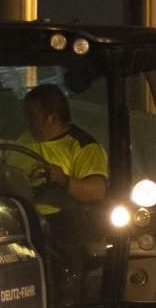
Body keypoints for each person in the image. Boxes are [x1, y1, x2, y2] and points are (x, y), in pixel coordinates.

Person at [18, 84, 107, 214]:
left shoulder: (83, 146)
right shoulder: (23, 139)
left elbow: (97, 192)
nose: (28, 123)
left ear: (52, 117)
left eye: (32, 117)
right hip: (18, 214)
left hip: (62, 219)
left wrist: (64, 180)